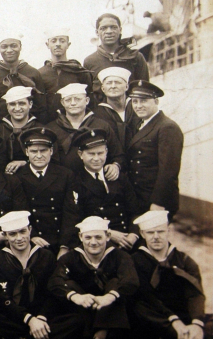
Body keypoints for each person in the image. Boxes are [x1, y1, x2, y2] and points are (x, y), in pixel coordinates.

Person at [48, 216, 139, 339]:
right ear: (80, 237)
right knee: (69, 284)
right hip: (85, 309)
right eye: (88, 237)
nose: (93, 242)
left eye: (98, 237)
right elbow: (54, 281)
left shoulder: (120, 256)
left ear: (108, 236)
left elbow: (131, 280)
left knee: (115, 282)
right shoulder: (70, 258)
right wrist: (76, 297)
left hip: (110, 305)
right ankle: (110, 337)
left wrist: (109, 297)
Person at [0, 211, 81, 339]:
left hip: (42, 315)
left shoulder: (46, 256)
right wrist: (29, 320)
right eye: (12, 234)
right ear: (5, 236)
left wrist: (41, 318)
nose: (19, 238)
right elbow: (2, 299)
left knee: (76, 319)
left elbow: (52, 292)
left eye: (22, 232)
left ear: (30, 230)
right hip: (15, 316)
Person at [130, 210, 213, 339]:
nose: (156, 237)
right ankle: (181, 337)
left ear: (168, 231)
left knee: (207, 322)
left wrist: (196, 324)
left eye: (160, 231)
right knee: (137, 306)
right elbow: (147, 297)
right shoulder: (135, 261)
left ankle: (182, 336)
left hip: (182, 316)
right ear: (142, 234)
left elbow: (195, 295)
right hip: (157, 317)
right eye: (150, 232)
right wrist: (173, 321)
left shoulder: (185, 260)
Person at [71, 129, 141, 243]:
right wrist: (107, 233)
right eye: (91, 154)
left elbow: (134, 211)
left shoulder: (119, 177)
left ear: (106, 152)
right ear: (80, 154)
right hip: (95, 241)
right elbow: (76, 220)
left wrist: (133, 235)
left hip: (126, 238)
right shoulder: (75, 183)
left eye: (100, 153)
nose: (96, 158)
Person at [126, 80, 184, 215]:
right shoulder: (139, 124)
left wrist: (158, 203)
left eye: (143, 101)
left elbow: (168, 171)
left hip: (154, 200)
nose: (138, 106)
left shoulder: (167, 127)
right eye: (135, 101)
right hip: (139, 197)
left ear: (156, 101)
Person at [46, 83, 124, 177]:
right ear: (62, 103)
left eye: (77, 99)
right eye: (68, 100)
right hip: (63, 181)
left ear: (87, 100)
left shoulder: (101, 125)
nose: (73, 103)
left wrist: (115, 165)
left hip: (95, 180)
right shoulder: (52, 128)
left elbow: (118, 154)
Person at [83, 10, 150, 102]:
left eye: (113, 27)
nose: (109, 31)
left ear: (120, 30)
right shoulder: (89, 61)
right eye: (103, 28)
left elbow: (145, 90)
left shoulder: (136, 57)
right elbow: (88, 95)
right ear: (97, 32)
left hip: (131, 113)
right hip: (101, 114)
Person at [0, 33, 47, 122]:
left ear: (20, 47)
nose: (9, 50)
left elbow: (41, 106)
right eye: (4, 47)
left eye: (14, 46)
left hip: (29, 126)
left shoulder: (33, 73)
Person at [38, 28, 93, 123]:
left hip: (75, 121)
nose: (58, 44)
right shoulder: (40, 73)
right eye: (53, 41)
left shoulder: (79, 72)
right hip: (48, 122)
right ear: (47, 45)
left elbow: (88, 98)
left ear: (68, 44)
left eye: (62, 41)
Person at [91, 67, 138, 149]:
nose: (113, 86)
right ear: (103, 88)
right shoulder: (97, 114)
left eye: (117, 82)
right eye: (109, 83)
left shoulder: (137, 108)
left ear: (126, 87)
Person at [0, 86, 41, 170]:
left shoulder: (39, 129)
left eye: (22, 103)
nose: (17, 108)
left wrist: (25, 163)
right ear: (7, 106)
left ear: (30, 104)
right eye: (12, 104)